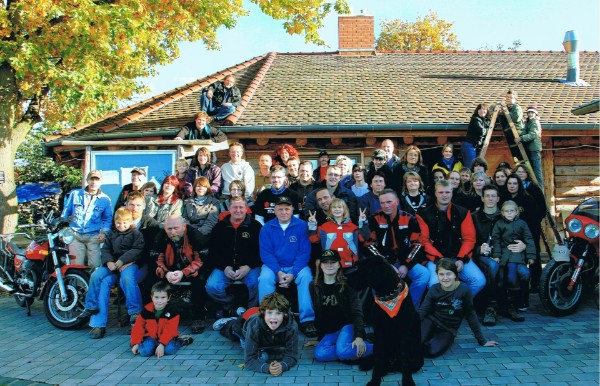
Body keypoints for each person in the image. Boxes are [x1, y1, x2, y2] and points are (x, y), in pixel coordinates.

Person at [77, 208, 144, 339]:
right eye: (118, 223)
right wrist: (108, 262)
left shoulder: (136, 234)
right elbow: (106, 250)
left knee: (127, 279)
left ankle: (135, 311)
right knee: (97, 277)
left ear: (130, 222)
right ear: (115, 221)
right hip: (112, 265)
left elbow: (137, 250)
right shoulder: (112, 234)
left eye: (125, 223)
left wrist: (122, 260)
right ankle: (91, 308)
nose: (121, 225)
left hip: (128, 264)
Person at [258, 196, 317, 337]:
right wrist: (278, 272)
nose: (284, 212)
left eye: (287, 209)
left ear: (292, 210)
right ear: (275, 211)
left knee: (306, 277)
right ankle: (267, 319)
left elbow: (304, 253)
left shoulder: (302, 226)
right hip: (274, 267)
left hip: (296, 266)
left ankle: (307, 320)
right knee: (264, 278)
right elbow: (266, 254)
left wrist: (293, 273)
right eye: (280, 209)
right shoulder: (267, 228)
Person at [416, 180, 486, 297]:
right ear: (436, 193)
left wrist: (461, 259)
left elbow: (469, 238)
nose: (444, 195)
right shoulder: (423, 214)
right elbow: (424, 241)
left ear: (452, 193)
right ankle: (443, 310)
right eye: (441, 192)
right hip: (436, 259)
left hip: (458, 257)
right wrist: (440, 260)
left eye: (447, 192)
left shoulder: (463, 212)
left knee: (478, 281)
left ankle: (457, 303)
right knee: (434, 283)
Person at [419, 259, 499, 358]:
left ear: (455, 274)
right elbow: (423, 311)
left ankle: (435, 341)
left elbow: (470, 314)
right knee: (414, 344)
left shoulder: (464, 290)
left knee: (431, 352)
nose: (445, 278)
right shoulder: (434, 289)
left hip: (448, 329)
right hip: (431, 321)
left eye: (449, 274)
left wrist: (482, 341)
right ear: (437, 275)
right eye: (441, 274)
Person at [305, 249, 373, 362]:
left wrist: (359, 336)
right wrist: (320, 339)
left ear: (338, 265)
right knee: (320, 354)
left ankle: (379, 348)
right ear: (320, 265)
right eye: (325, 262)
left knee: (343, 353)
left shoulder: (348, 284)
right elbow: (319, 313)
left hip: (347, 326)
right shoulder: (314, 286)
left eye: (333, 262)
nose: (329, 265)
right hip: (331, 331)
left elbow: (357, 312)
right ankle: (346, 349)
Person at [366, 189, 430, 308]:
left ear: (397, 202)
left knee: (424, 274)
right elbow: (369, 245)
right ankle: (383, 311)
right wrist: (386, 264)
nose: (386, 205)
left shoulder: (409, 218)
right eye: (382, 203)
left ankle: (410, 307)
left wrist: (406, 264)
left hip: (404, 261)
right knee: (375, 278)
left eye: (389, 202)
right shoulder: (374, 219)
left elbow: (418, 244)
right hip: (384, 262)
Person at [153, 215, 208, 334]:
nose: (173, 232)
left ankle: (198, 317)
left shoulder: (195, 235)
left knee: (199, 282)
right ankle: (154, 316)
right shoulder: (160, 236)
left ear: (184, 227)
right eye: (169, 229)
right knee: (150, 281)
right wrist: (166, 273)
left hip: (191, 270)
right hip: (169, 271)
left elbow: (201, 261)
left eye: (176, 228)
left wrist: (183, 273)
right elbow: (157, 259)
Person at [206, 196, 262, 313]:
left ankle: (251, 311)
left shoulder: (255, 226)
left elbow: (260, 251)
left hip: (249, 267)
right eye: (234, 207)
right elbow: (213, 252)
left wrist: (248, 266)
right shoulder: (220, 227)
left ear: (246, 208)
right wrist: (224, 267)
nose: (238, 210)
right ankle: (231, 306)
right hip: (225, 268)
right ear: (229, 209)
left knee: (256, 283)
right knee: (212, 286)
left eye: (241, 207)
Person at [501, 173, 544, 305]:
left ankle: (524, 299)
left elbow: (534, 220)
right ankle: (512, 296)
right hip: (508, 239)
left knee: (524, 267)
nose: (512, 186)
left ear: (519, 185)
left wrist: (526, 242)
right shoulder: (504, 199)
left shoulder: (527, 199)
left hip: (525, 238)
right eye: (509, 183)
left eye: (515, 183)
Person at [490, 200, 536, 322]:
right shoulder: (499, 224)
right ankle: (511, 303)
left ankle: (518, 301)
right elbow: (496, 240)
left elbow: (529, 239)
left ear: (516, 212)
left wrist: (531, 256)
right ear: (502, 213)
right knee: (509, 275)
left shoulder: (522, 223)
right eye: (506, 211)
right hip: (506, 254)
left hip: (519, 255)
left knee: (523, 273)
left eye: (512, 211)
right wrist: (496, 255)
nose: (509, 213)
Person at [61, 170, 113, 268]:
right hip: (75, 234)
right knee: (76, 265)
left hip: (93, 236)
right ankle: (78, 283)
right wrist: (65, 221)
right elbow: (66, 212)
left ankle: (92, 283)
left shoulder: (105, 199)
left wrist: (104, 233)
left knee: (95, 265)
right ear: (87, 180)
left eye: (97, 180)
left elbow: (107, 219)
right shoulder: (75, 194)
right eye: (91, 179)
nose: (94, 182)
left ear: (101, 182)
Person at [130, 281, 193, 357]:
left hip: (167, 336)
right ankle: (154, 347)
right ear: (151, 297)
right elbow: (138, 327)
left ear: (168, 298)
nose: (159, 301)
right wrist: (136, 343)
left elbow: (170, 330)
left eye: (163, 297)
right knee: (144, 352)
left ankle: (181, 341)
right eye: (156, 297)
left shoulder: (172, 311)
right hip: (151, 337)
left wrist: (162, 344)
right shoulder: (146, 310)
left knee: (170, 350)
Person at [242, 292, 299, 375]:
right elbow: (249, 360)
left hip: (268, 338)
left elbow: (292, 356)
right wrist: (267, 368)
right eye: (270, 313)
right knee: (233, 331)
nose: (273, 317)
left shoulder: (292, 326)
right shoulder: (254, 325)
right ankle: (228, 321)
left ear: (285, 314)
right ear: (264, 313)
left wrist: (282, 366)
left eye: (278, 313)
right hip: (244, 327)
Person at [308, 199, 368, 273]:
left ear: (344, 210)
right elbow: (313, 239)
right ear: (330, 210)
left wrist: (363, 222)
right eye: (334, 207)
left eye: (339, 207)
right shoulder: (323, 227)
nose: (337, 209)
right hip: (330, 266)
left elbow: (363, 238)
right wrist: (312, 224)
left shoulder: (353, 227)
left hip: (350, 265)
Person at [123, 191, 161, 304]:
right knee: (100, 278)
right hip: (121, 263)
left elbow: (151, 250)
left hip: (142, 263)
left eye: (138, 205)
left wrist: (130, 260)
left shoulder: (151, 224)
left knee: (127, 280)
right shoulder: (119, 223)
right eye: (131, 205)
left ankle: (136, 311)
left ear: (144, 206)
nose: (134, 208)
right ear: (126, 205)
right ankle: (96, 317)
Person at [182, 176, 221, 248]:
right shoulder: (187, 202)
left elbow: (211, 222)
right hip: (188, 232)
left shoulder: (214, 202)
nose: (201, 188)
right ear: (194, 188)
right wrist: (190, 231)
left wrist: (198, 233)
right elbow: (184, 218)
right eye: (198, 186)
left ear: (207, 188)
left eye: (204, 186)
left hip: (205, 233)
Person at [462, 103, 490, 169]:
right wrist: (488, 129)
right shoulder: (475, 119)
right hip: (469, 145)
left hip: (476, 146)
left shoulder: (485, 120)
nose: (481, 111)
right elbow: (481, 131)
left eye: (484, 109)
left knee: (476, 167)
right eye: (479, 109)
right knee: (470, 166)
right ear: (477, 111)